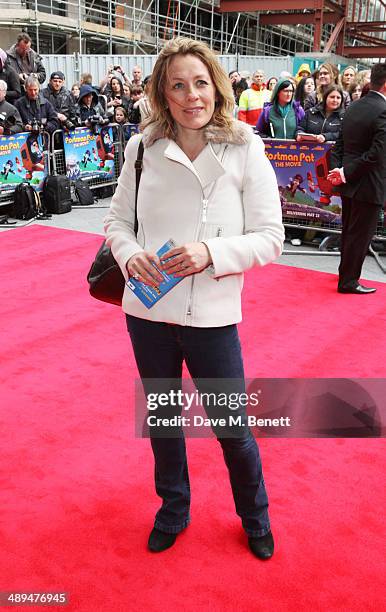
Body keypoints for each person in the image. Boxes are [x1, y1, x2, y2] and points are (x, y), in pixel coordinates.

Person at [104, 37, 284, 559]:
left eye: (200, 83)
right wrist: (129, 252)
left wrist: (212, 252)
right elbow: (118, 221)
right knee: (163, 421)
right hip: (148, 311)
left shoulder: (246, 146)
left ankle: (255, 518)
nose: (191, 96)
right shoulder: (142, 148)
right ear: (163, 92)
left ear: (217, 87)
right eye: (178, 85)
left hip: (213, 315)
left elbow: (271, 236)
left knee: (233, 429)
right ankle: (173, 508)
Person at [328, 62, 386, 294]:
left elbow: (338, 147)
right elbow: (377, 154)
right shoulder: (382, 110)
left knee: (350, 232)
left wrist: (339, 171)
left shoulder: (354, 106)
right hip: (368, 183)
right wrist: (343, 172)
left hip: (349, 182)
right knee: (360, 235)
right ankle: (349, 281)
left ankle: (346, 276)